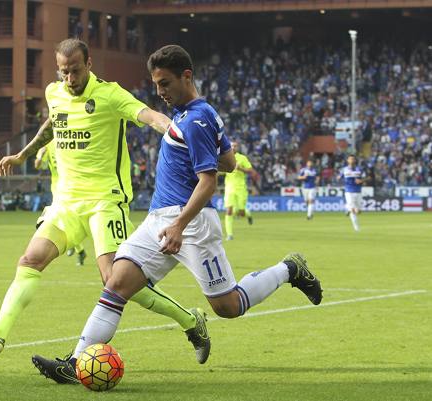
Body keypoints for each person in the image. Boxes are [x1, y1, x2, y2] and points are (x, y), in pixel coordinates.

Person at [31, 44, 323, 384]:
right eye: (156, 84)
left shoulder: (197, 119)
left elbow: (209, 182)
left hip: (192, 225)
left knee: (228, 306)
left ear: (187, 76)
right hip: (159, 220)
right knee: (116, 283)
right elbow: (228, 162)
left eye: (165, 83)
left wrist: (179, 225)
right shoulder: (197, 113)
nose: (160, 92)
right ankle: (76, 361)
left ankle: (289, 269)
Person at [0, 38, 209, 366]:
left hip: (105, 202)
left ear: (89, 64)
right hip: (66, 203)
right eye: (64, 73)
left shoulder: (110, 94)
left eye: (75, 71)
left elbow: (148, 115)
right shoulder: (54, 92)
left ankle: (191, 321)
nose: (69, 79)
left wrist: (177, 132)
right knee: (31, 259)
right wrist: (23, 154)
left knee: (115, 281)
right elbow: (54, 123)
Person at [35, 142, 87, 266]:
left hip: (73, 188)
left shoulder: (69, 139)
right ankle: (78, 250)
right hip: (58, 191)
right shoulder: (46, 145)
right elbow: (37, 166)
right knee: (59, 223)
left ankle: (73, 245)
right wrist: (40, 156)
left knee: (68, 222)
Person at [223, 141, 254, 240]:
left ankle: (248, 214)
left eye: (235, 146)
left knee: (241, 212)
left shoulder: (242, 158)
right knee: (229, 211)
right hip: (229, 187)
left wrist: (240, 168)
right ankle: (229, 234)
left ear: (238, 147)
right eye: (231, 146)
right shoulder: (225, 157)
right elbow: (221, 169)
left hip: (241, 187)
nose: (233, 147)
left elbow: (250, 170)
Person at [340, 155, 365, 231]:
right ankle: (356, 228)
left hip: (358, 191)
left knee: (358, 211)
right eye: (350, 159)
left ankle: (347, 207)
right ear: (347, 160)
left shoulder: (359, 169)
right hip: (349, 191)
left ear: (355, 160)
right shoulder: (344, 170)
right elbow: (339, 177)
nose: (352, 160)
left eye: (353, 159)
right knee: (353, 210)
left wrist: (361, 181)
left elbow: (367, 177)